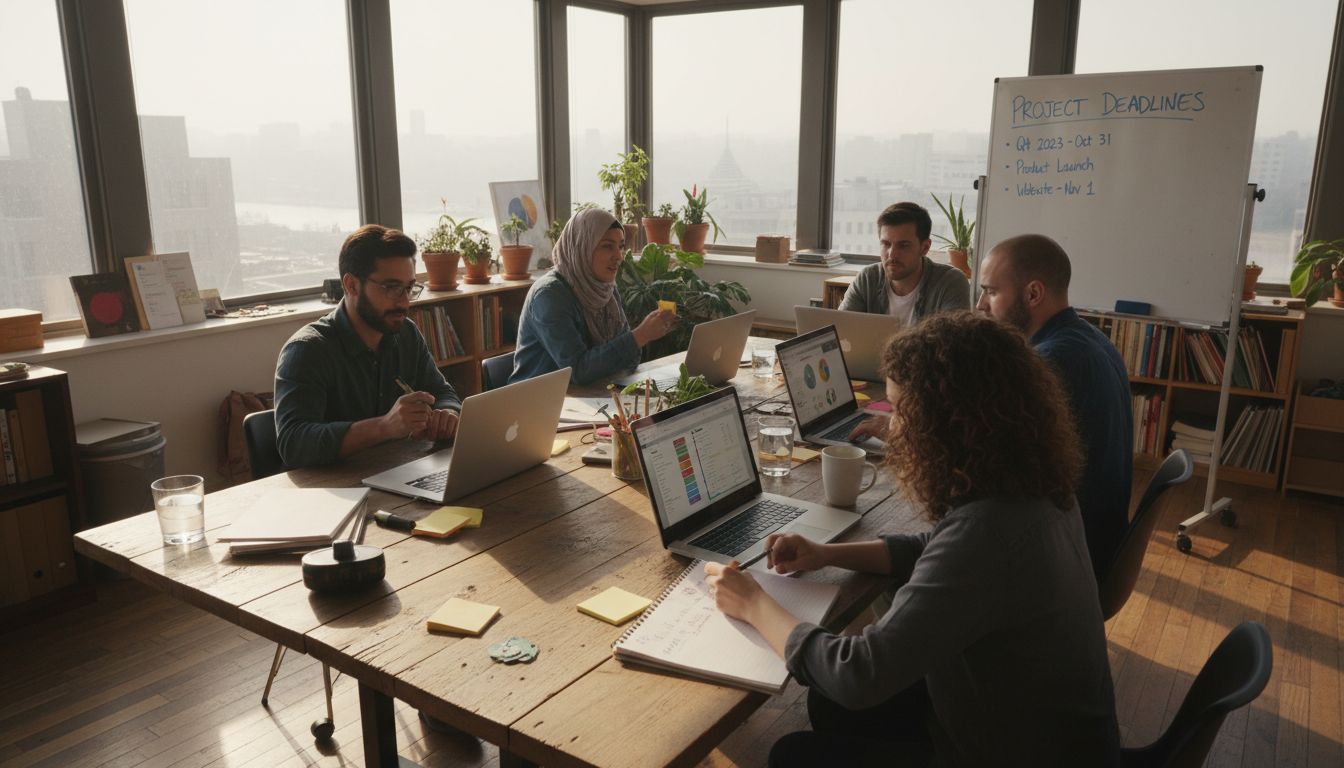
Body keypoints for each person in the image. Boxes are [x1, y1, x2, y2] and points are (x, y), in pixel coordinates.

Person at [705, 313, 1121, 767]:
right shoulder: (1038, 490)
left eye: (900, 410)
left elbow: (858, 672)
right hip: (1049, 737)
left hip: (1010, 755)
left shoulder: (986, 534)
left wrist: (753, 603)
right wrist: (826, 552)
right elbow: (935, 549)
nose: (894, 426)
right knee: (831, 706)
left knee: (793, 754)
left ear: (948, 423)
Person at [975, 234, 1132, 583]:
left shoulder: (1050, 361)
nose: (981, 305)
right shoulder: (1092, 338)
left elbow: (995, 463)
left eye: (991, 291)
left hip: (1064, 561)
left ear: (1033, 294)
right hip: (1093, 541)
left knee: (919, 549)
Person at [274, 224, 461, 468]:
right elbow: (294, 444)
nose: (404, 302)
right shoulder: (307, 350)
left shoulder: (406, 334)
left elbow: (443, 393)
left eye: (409, 288)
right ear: (351, 285)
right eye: (391, 288)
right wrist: (384, 427)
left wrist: (447, 414)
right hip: (333, 492)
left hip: (397, 472)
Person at [509, 207, 676, 385]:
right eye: (607, 246)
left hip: (590, 396)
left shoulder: (605, 290)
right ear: (581, 246)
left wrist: (640, 337)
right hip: (537, 403)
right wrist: (641, 335)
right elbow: (578, 371)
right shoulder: (549, 296)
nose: (619, 256)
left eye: (620, 246)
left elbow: (630, 360)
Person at [838, 202, 970, 324]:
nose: (892, 254)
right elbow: (840, 328)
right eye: (886, 244)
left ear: (925, 247)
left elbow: (953, 344)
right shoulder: (867, 278)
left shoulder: (950, 282)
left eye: (903, 246)